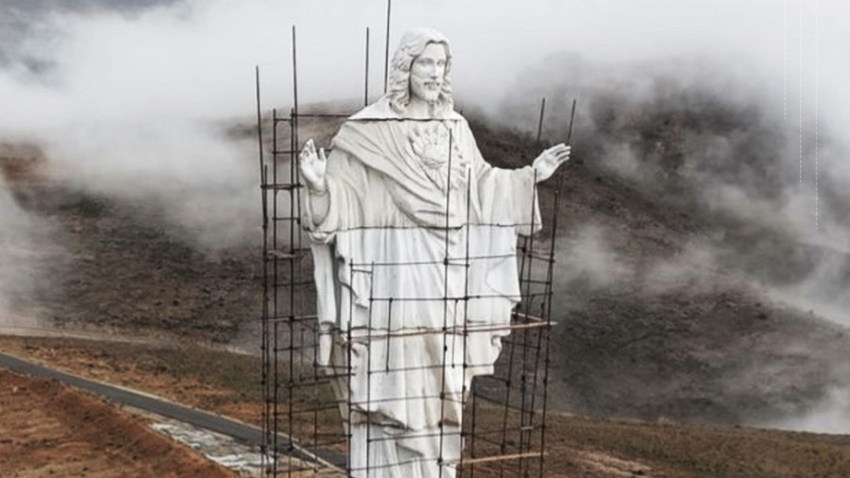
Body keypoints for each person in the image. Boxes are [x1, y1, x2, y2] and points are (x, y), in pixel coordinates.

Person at [300, 28, 570, 478]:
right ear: (405, 68)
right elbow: (342, 208)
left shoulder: (455, 128)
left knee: (441, 379)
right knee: (395, 373)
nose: (435, 72)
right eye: (426, 62)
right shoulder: (367, 133)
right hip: (393, 276)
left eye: (441, 64)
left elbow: (481, 188)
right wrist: (318, 187)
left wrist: (529, 177)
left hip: (447, 275)